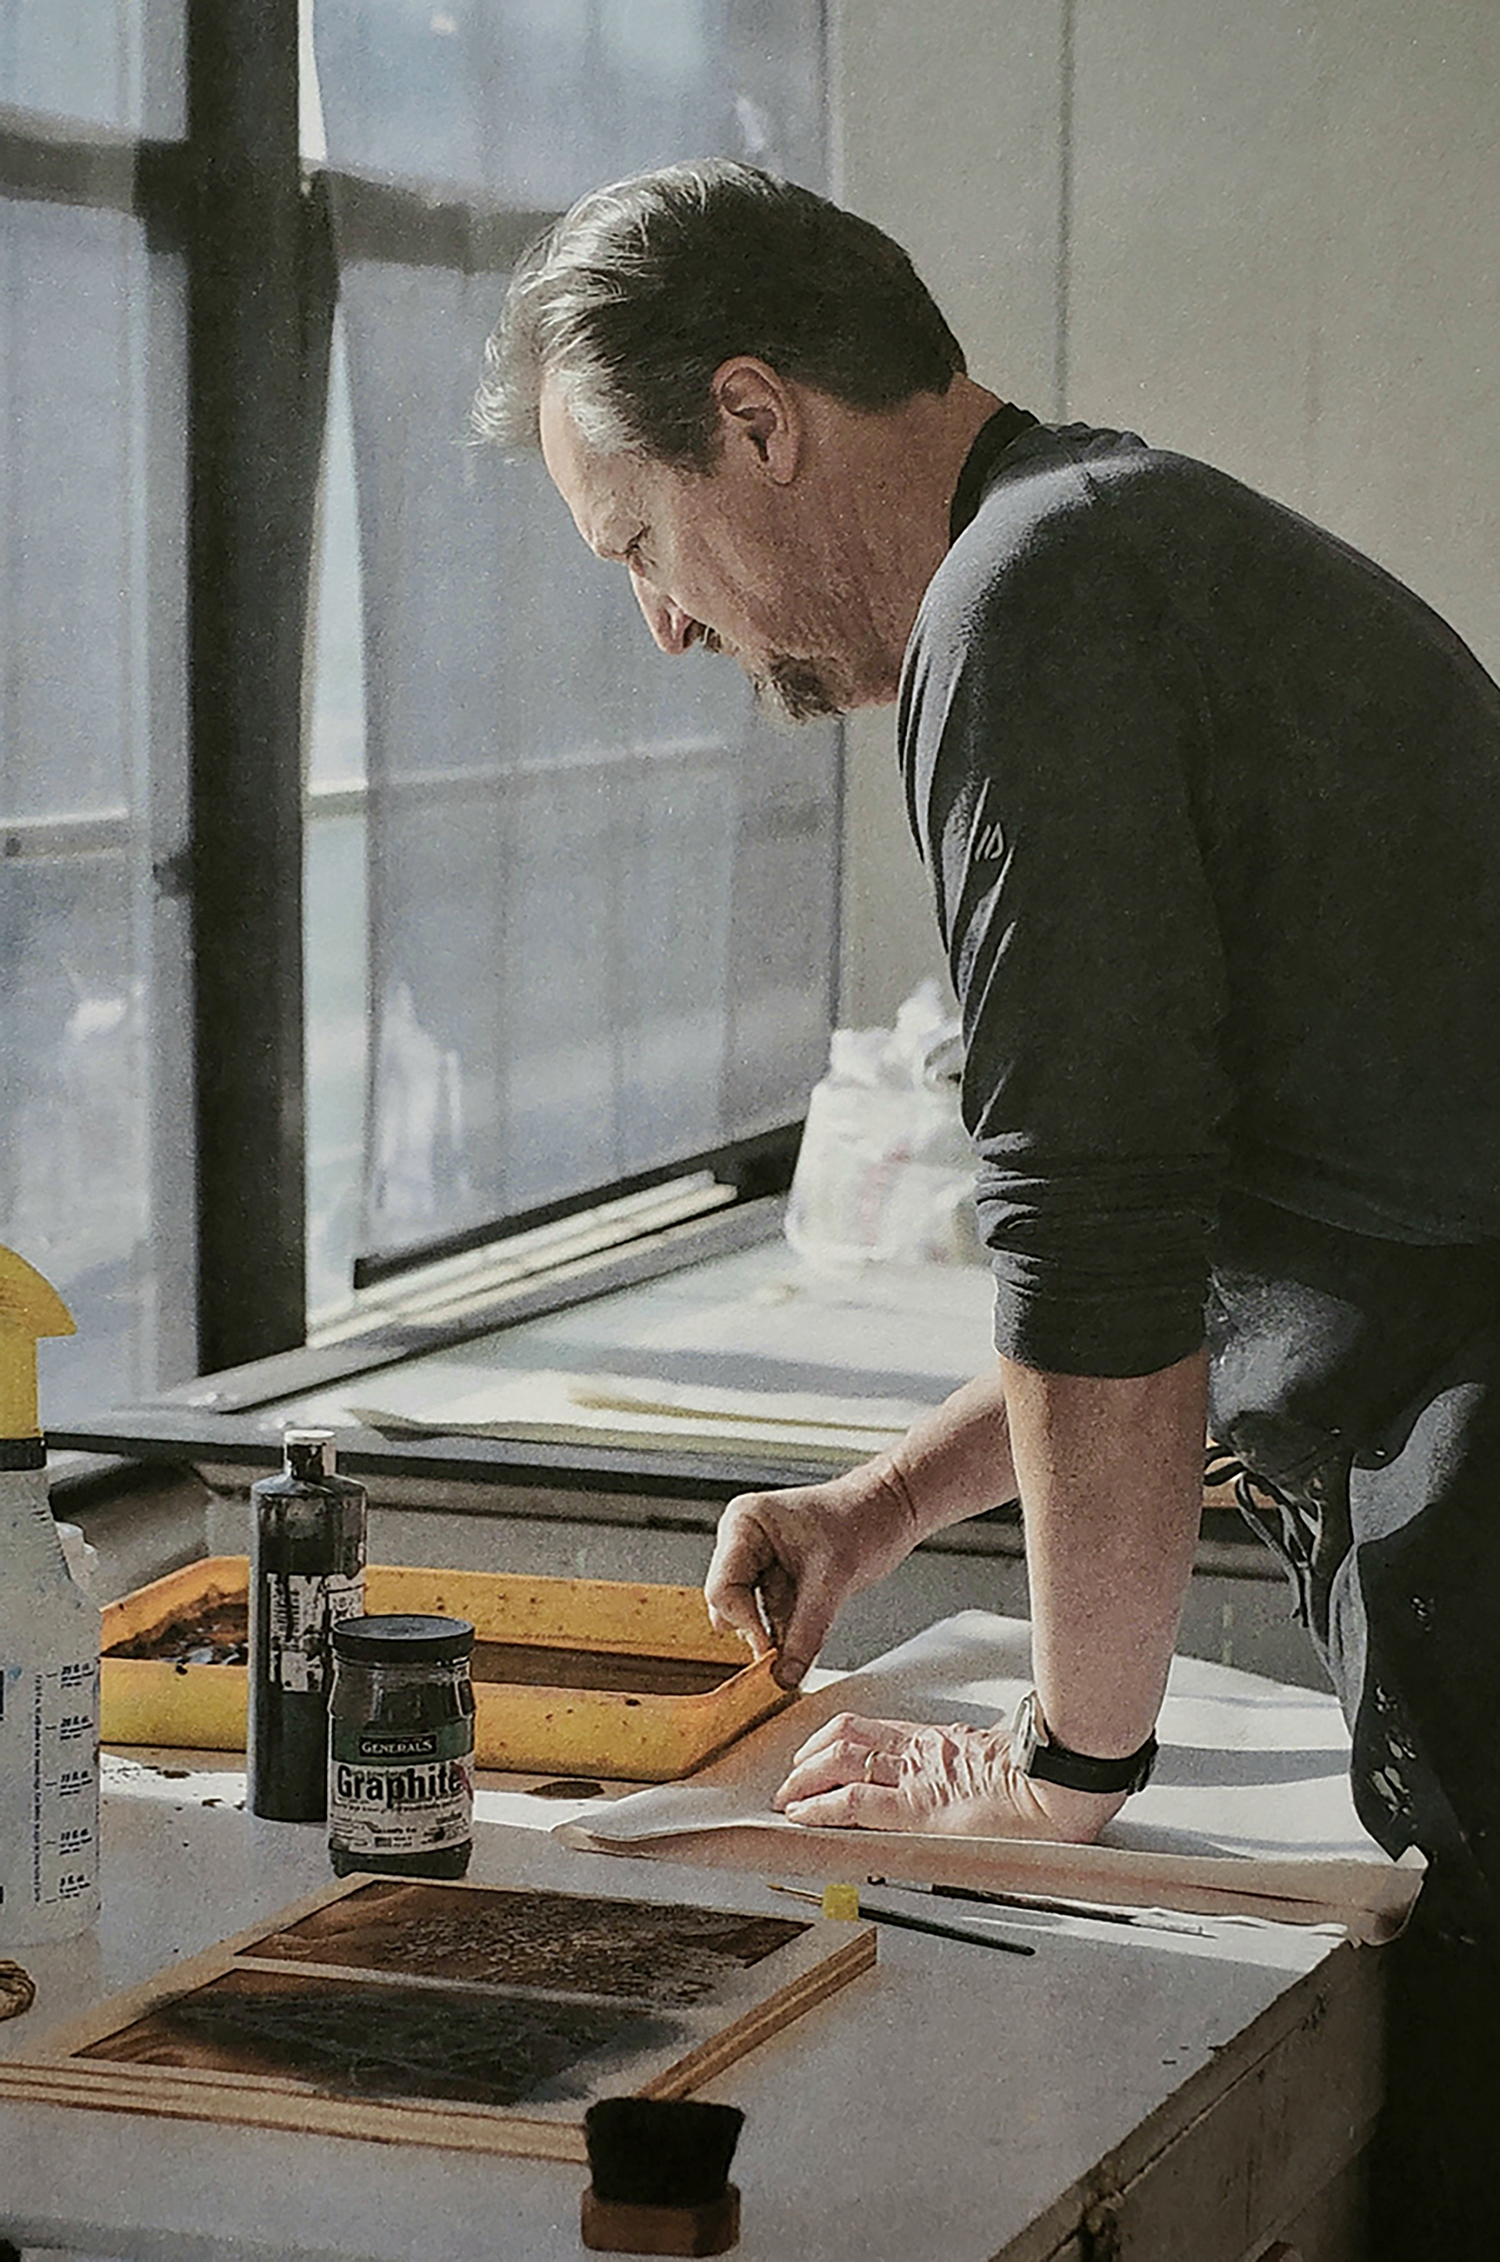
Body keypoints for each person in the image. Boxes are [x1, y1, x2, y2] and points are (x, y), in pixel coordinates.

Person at [477, 160, 1500, 2253]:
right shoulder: (1113, 529)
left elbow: (1105, 1254)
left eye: (645, 548)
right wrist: (885, 1504)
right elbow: (1233, 1229)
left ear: (757, 422)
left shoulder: (1023, 609)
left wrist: (1059, 1769)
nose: (667, 623)